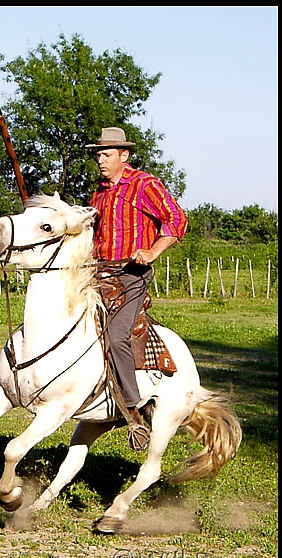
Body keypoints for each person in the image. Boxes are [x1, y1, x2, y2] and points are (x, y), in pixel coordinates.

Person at [86, 127, 188, 450]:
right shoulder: (99, 193)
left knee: (116, 336)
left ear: (124, 156)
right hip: (100, 274)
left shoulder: (145, 185)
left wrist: (152, 251)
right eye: (98, 154)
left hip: (132, 275)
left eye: (106, 154)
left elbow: (177, 220)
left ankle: (133, 413)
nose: (100, 160)